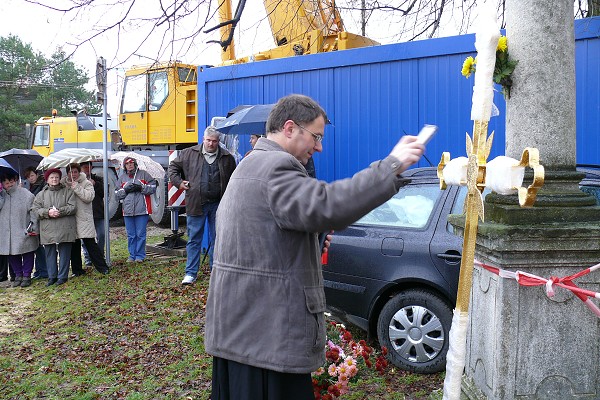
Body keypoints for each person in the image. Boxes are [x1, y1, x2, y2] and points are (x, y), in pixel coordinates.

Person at [204, 94, 424, 399]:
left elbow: (262, 238)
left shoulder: (251, 164)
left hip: (244, 337)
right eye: (316, 136)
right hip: (266, 343)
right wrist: (390, 167)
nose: (319, 147)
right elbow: (330, 204)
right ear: (290, 128)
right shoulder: (277, 167)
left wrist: (314, 238)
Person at [168, 126, 236, 284]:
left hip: (219, 205)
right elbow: (173, 168)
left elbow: (234, 178)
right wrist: (179, 182)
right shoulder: (189, 153)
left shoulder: (227, 157)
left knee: (218, 239)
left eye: (214, 141)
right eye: (208, 140)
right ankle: (190, 273)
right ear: (203, 139)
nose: (211, 144)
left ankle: (216, 270)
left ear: (219, 141)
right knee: (194, 239)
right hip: (196, 204)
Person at [31, 168, 77, 286]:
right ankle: (52, 277)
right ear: (47, 180)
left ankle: (62, 276)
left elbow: (73, 207)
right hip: (48, 228)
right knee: (50, 253)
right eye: (52, 177)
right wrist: (48, 212)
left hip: (65, 227)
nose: (54, 179)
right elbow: (35, 210)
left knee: (65, 252)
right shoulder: (41, 194)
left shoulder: (67, 191)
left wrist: (59, 211)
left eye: (56, 177)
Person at [63, 163, 109, 275]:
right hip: (71, 219)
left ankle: (102, 267)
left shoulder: (86, 183)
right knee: (74, 245)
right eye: (70, 172)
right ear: (67, 173)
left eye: (75, 172)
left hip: (84, 218)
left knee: (90, 243)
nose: (73, 174)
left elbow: (89, 197)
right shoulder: (63, 184)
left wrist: (77, 188)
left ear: (79, 173)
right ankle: (77, 270)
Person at [0, 170, 39, 288]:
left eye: (11, 181)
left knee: (27, 252)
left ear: (16, 180)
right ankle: (18, 275)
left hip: (24, 228)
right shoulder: (2, 195)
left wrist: (33, 226)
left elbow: (34, 212)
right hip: (7, 232)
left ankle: (27, 275)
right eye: (6, 183)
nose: (9, 185)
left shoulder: (26, 194)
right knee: (11, 253)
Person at [115, 156, 157, 262]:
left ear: (135, 164)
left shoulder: (144, 175)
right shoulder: (122, 178)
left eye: (132, 162)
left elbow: (153, 188)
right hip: (128, 211)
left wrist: (141, 188)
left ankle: (140, 256)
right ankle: (132, 255)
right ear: (124, 166)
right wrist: (126, 190)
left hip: (142, 210)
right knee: (131, 235)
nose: (130, 164)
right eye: (127, 163)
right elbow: (116, 195)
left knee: (140, 234)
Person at [23, 167, 48, 280]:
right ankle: (39, 270)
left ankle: (43, 270)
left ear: (37, 174)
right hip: (33, 218)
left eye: (32, 175)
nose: (30, 178)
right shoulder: (29, 186)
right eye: (28, 177)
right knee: (37, 246)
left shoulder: (42, 184)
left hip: (40, 218)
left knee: (40, 246)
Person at [80, 161, 106, 262]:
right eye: (85, 167)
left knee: (101, 234)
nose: (87, 169)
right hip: (84, 214)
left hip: (98, 212)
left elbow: (104, 193)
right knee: (86, 237)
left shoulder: (98, 179)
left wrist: (95, 184)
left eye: (89, 167)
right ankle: (88, 258)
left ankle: (99, 255)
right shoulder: (78, 181)